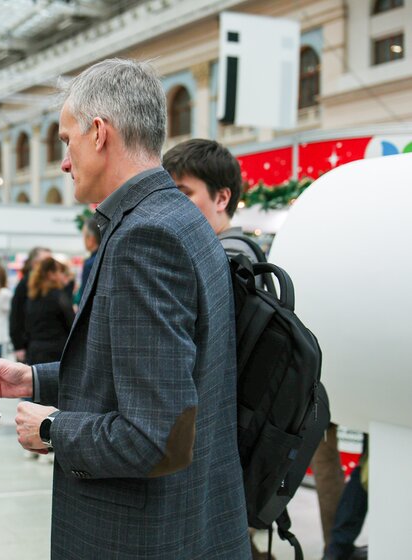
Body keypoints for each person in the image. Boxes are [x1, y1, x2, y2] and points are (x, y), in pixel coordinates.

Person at [0, 59, 249, 558]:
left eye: (65, 139)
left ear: (99, 133)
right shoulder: (179, 219)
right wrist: (32, 379)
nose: (63, 161)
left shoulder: (144, 238)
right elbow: (137, 372)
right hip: (186, 523)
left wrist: (53, 428)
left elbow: (154, 435)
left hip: (139, 537)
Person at [163, 138, 346, 557]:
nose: (175, 206)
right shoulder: (234, 254)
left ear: (222, 197)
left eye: (185, 193)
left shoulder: (228, 261)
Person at [24, 257, 74, 365]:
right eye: (60, 271)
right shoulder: (59, 296)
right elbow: (72, 323)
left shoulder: (32, 296)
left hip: (35, 350)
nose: (62, 275)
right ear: (51, 274)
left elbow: (26, 325)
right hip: (56, 351)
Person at [8, 246, 50, 363]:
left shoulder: (50, 285)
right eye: (45, 262)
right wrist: (18, 346)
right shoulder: (24, 284)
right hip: (29, 346)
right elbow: (16, 316)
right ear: (35, 263)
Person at [76, 214, 101, 302]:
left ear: (91, 239)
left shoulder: (90, 264)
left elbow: (84, 298)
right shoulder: (106, 257)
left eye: (84, 235)